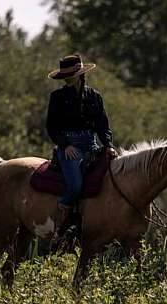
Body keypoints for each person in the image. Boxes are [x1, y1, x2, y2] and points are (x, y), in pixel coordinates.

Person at [46, 54, 118, 236]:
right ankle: (62, 216)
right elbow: (52, 127)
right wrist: (65, 145)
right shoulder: (57, 97)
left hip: (91, 143)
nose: (68, 80)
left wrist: (108, 144)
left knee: (112, 175)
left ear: (79, 74)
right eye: (65, 77)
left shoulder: (94, 96)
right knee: (75, 185)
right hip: (69, 146)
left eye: (70, 76)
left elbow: (102, 124)